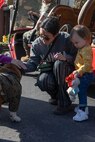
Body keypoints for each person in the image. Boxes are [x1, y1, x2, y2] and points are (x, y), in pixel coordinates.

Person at [25, 16, 77, 115]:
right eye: (40, 35)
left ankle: (65, 103)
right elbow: (32, 64)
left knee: (59, 64)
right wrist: (18, 66)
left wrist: (66, 58)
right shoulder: (37, 44)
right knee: (43, 80)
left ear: (56, 34)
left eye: (46, 37)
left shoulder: (66, 39)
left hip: (67, 72)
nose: (42, 39)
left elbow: (78, 58)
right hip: (50, 71)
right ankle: (56, 96)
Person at [70, 25, 94, 121]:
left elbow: (87, 64)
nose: (75, 45)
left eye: (76, 42)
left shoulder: (86, 50)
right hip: (83, 74)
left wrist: (79, 71)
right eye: (73, 43)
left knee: (82, 92)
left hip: (86, 74)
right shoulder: (82, 47)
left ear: (86, 39)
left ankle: (82, 111)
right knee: (79, 90)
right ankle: (83, 107)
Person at [0, 54, 26, 122]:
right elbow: (15, 100)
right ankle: (13, 115)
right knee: (14, 97)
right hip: (5, 84)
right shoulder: (16, 83)